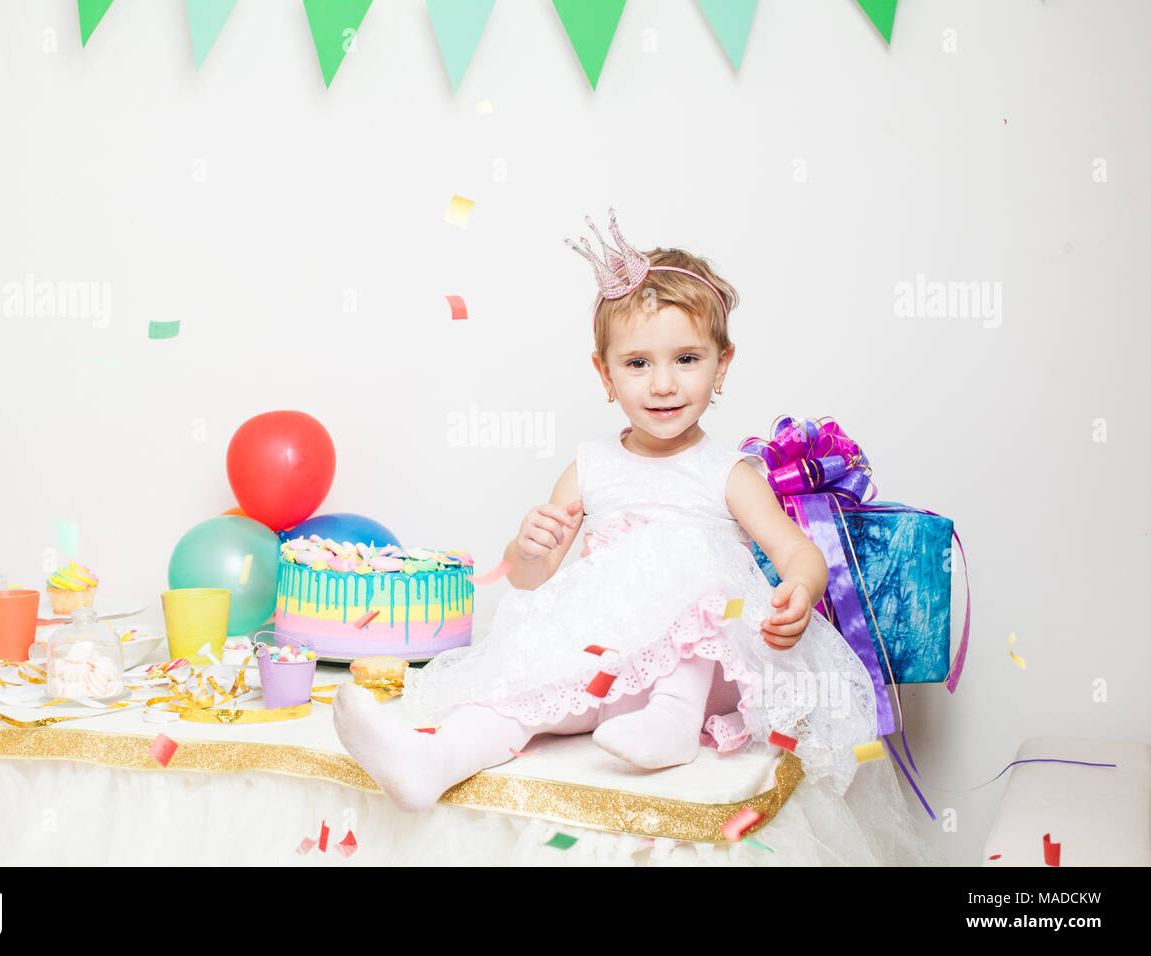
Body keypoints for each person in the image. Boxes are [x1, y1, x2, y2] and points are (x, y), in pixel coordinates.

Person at [333, 210, 935, 864]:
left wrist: (800, 586)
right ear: (605, 373)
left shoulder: (726, 472)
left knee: (699, 575)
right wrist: (526, 548)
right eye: (639, 363)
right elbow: (534, 581)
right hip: (608, 664)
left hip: (704, 671)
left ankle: (672, 725)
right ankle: (433, 760)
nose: (665, 382)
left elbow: (794, 551)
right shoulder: (591, 468)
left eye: (687, 358)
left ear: (722, 362)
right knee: (518, 694)